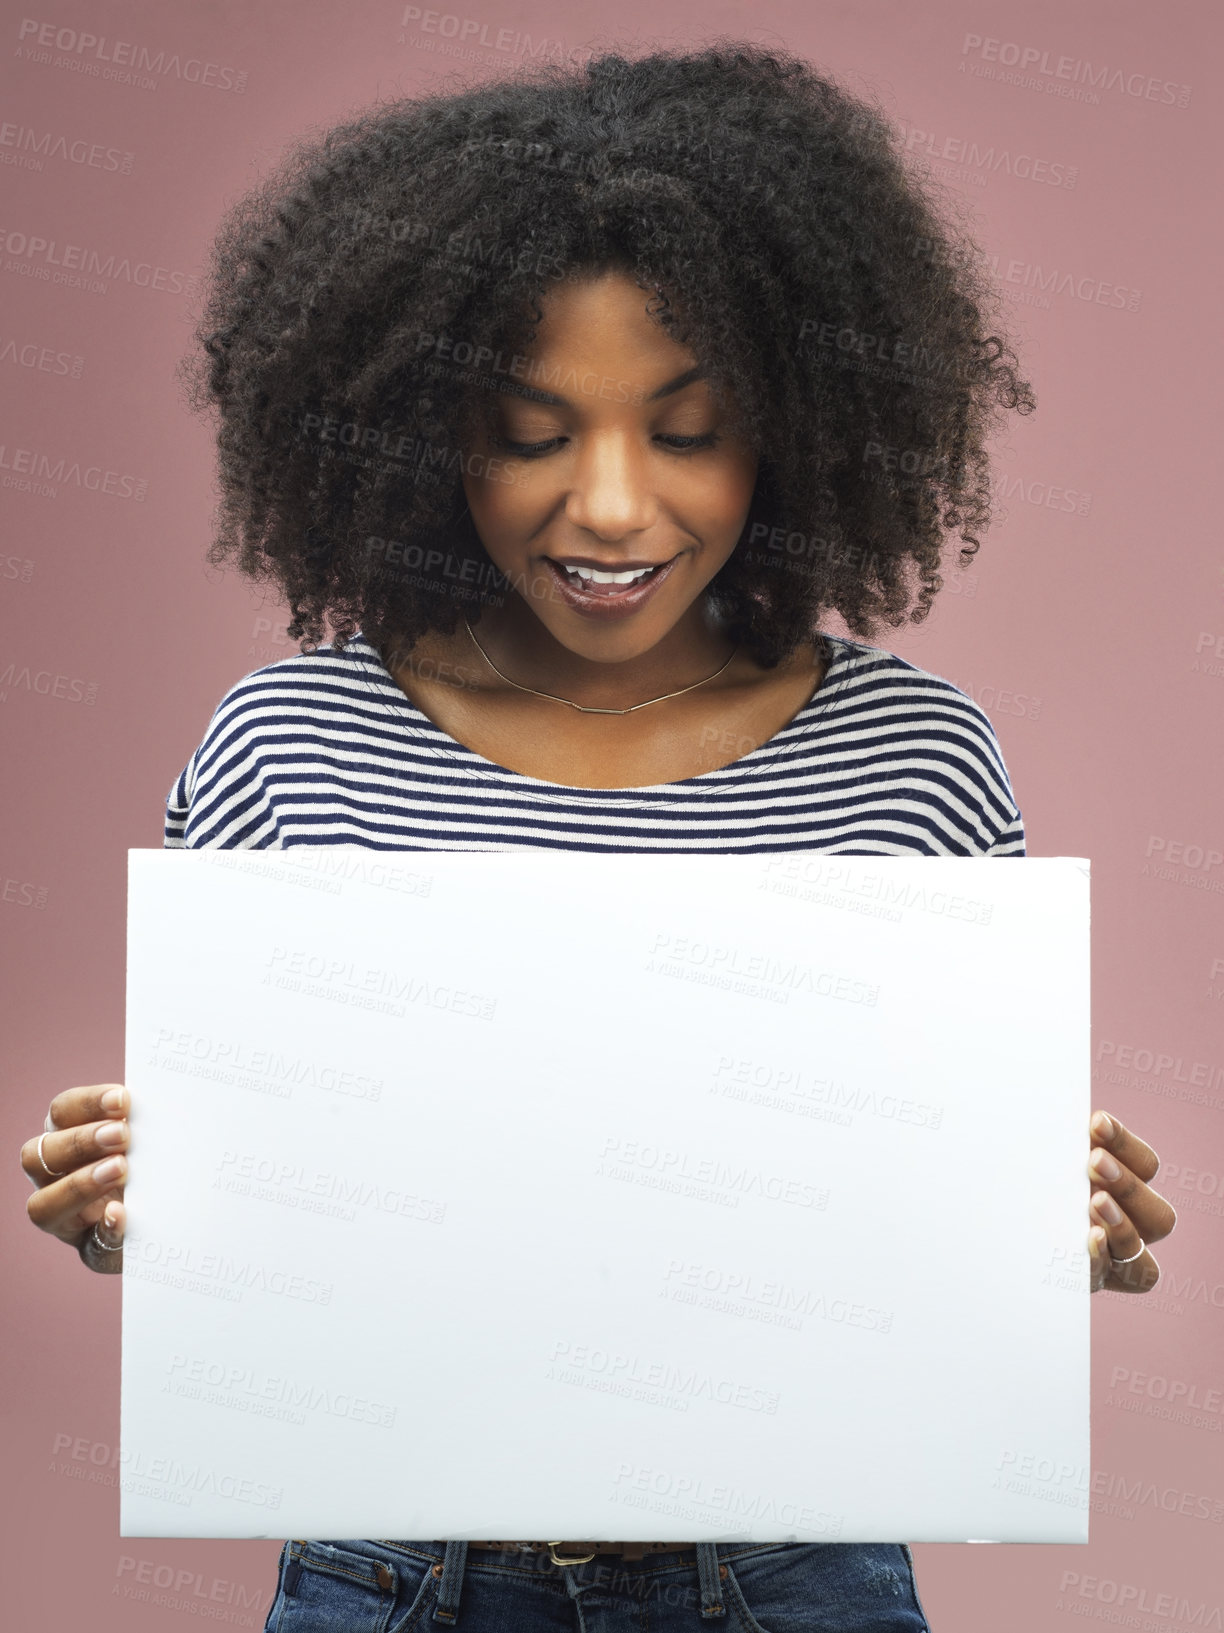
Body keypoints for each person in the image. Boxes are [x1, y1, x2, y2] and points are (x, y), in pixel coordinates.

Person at [21, 42, 1177, 1633]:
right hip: (393, 1574)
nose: (616, 507)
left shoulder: (911, 761)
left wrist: (1053, 1242)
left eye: (690, 429)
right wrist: (140, 1212)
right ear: (423, 432)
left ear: (801, 430)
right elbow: (265, 1261)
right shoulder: (291, 748)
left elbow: (923, 1250)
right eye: (532, 430)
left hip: (794, 1578)